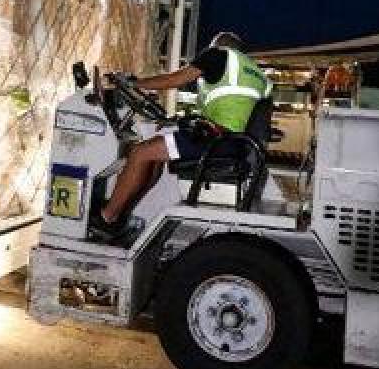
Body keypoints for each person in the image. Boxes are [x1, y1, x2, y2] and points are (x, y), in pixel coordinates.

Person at [89, 31, 271, 243]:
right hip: (234, 144)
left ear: (218, 45)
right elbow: (236, 112)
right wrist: (174, 120)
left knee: (140, 152)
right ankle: (123, 212)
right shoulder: (257, 74)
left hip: (215, 142)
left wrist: (133, 83)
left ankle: (107, 217)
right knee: (154, 157)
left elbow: (174, 79)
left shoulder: (218, 55)